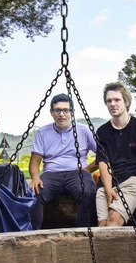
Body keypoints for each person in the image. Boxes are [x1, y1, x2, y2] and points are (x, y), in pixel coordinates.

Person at [96, 82, 136, 227]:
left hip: (132, 181)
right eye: (109, 101)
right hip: (108, 183)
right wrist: (107, 188)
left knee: (114, 219)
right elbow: (103, 163)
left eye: (117, 100)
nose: (112, 104)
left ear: (126, 101)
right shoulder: (102, 132)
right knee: (103, 224)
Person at [28, 93, 97, 229]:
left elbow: (102, 155)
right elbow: (35, 161)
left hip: (77, 173)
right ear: (51, 112)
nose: (61, 114)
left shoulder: (83, 130)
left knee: (88, 191)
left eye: (65, 110)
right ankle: (31, 235)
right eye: (57, 110)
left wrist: (87, 170)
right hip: (51, 174)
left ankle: (87, 234)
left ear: (71, 112)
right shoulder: (43, 132)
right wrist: (35, 178)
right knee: (34, 193)